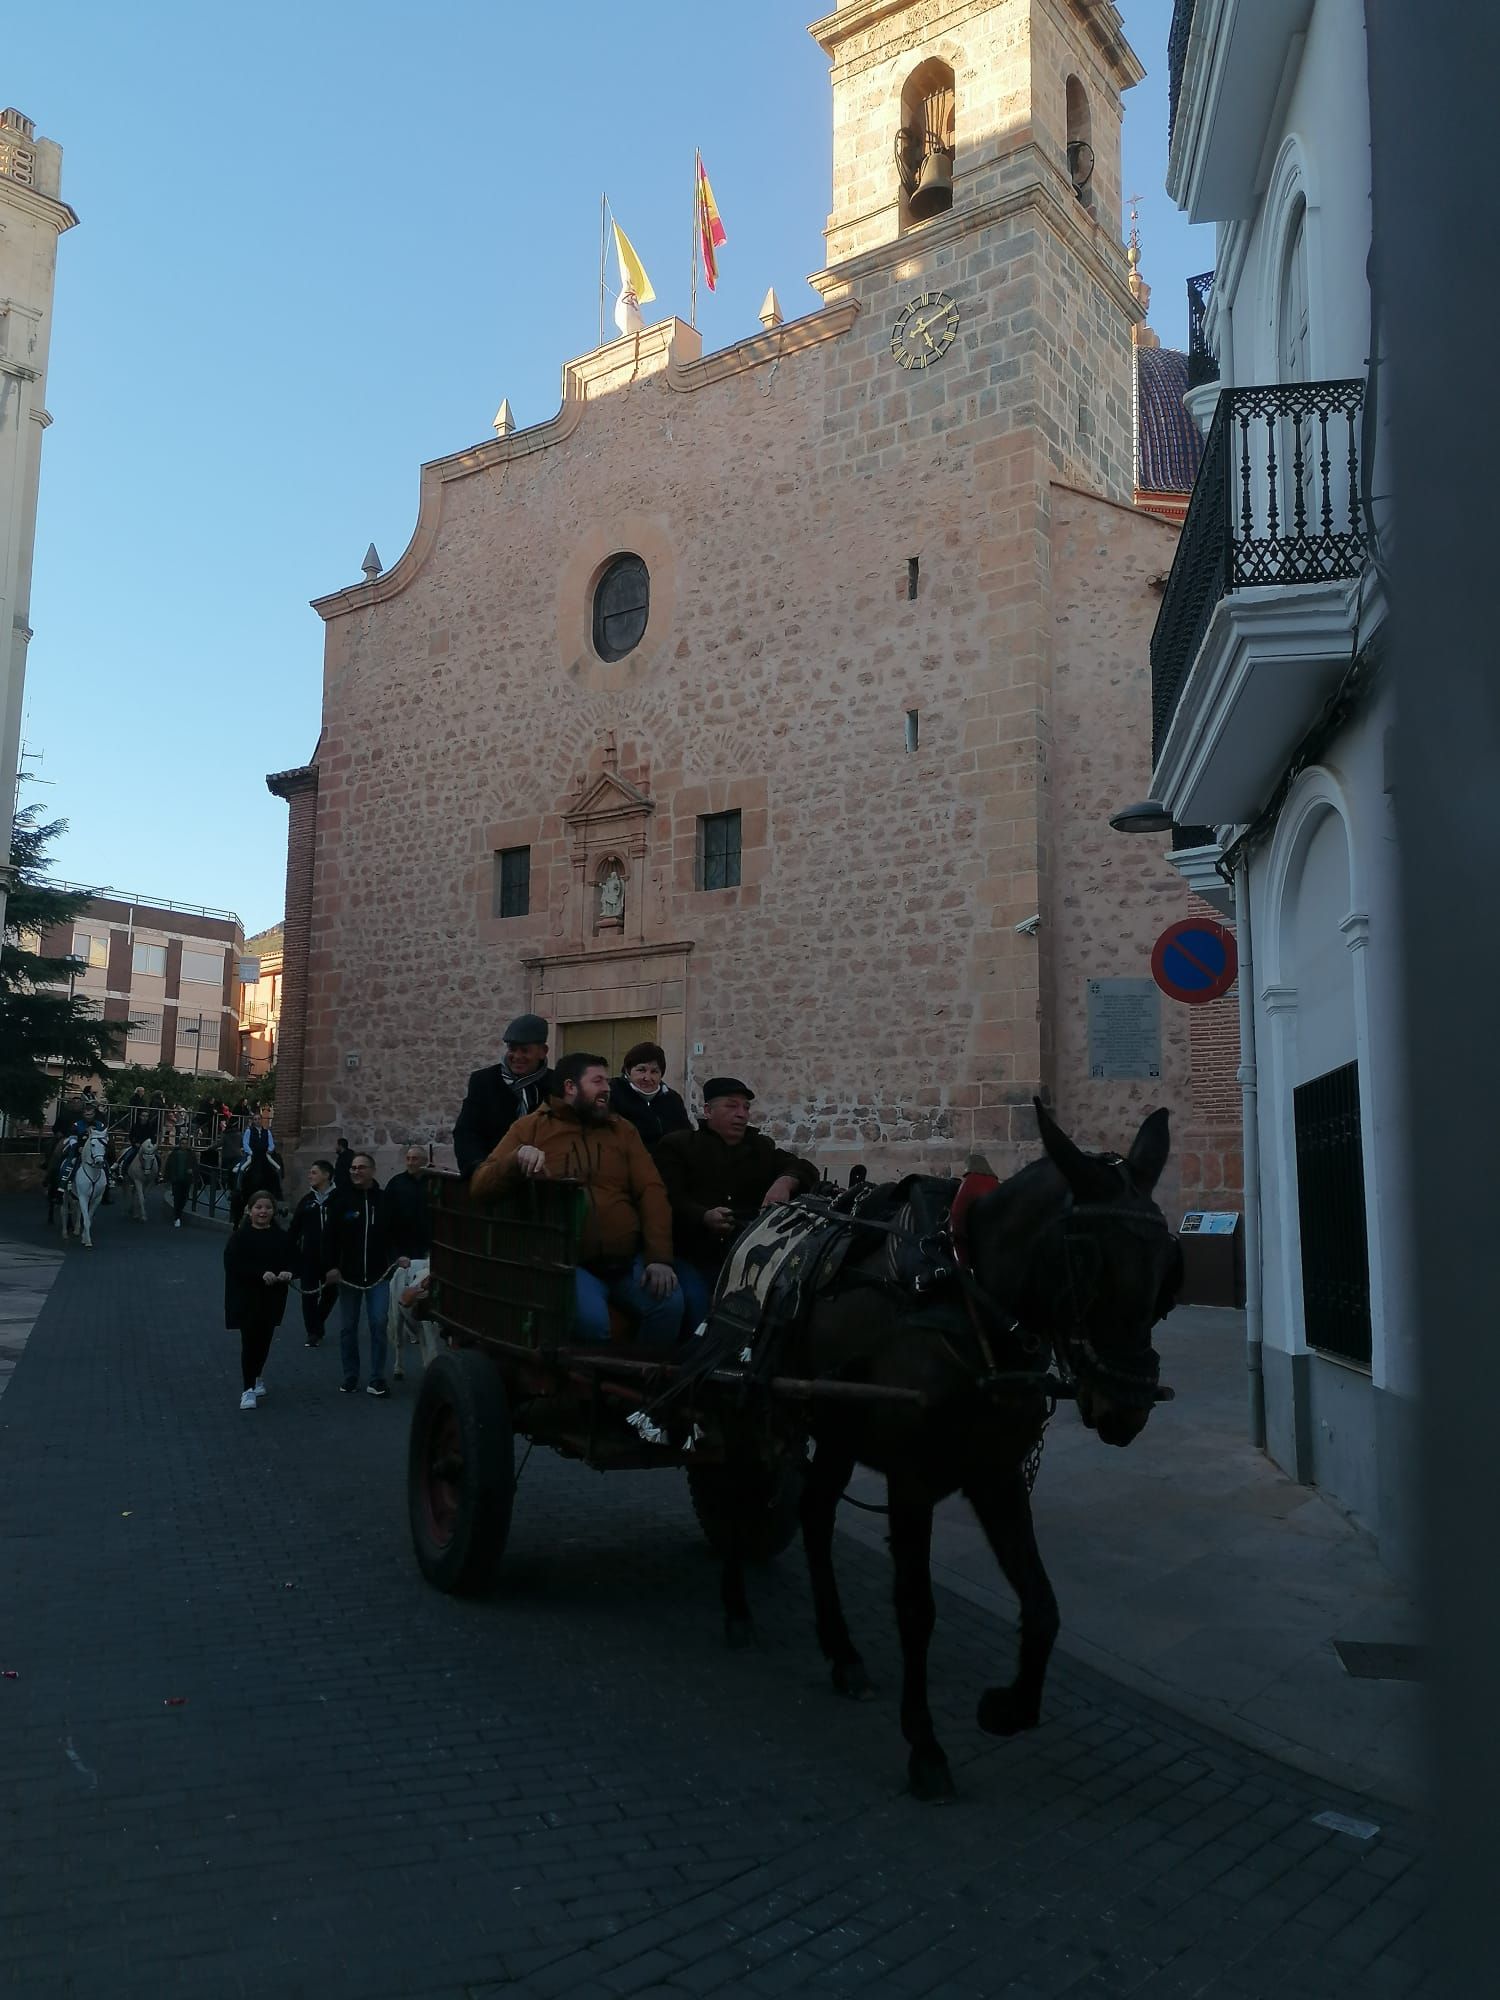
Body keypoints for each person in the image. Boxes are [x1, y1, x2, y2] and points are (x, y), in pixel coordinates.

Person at [472, 1051, 682, 1345]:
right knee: (593, 1324)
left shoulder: (622, 1130)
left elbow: (651, 1190)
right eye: (597, 1081)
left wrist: (659, 1258)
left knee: (669, 1307)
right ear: (571, 1087)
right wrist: (515, 1159)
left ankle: (643, 1386)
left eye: (606, 1081)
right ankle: (595, 1387)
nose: (607, 1088)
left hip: (625, 1261)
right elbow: (480, 1184)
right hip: (568, 1263)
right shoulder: (531, 1127)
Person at [655, 1077, 819, 1329]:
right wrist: (703, 1216)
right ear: (708, 1111)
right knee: (698, 1305)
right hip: (693, 1257)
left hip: (747, 1258)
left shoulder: (760, 1148)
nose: (741, 1114)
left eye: (745, 1108)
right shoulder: (679, 1146)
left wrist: (786, 1181)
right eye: (732, 1107)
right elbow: (669, 1198)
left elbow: (801, 1166)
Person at [325, 1151, 409, 1397]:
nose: (356, 1171)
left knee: (378, 1323)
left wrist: (398, 1255)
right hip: (348, 1276)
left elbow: (396, 1232)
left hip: (378, 1275)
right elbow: (329, 1237)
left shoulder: (384, 1201)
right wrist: (331, 1266)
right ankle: (351, 1375)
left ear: (372, 1171)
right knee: (348, 1327)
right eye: (353, 1168)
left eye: (361, 1167)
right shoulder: (340, 1200)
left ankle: (376, 1378)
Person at [454, 1013, 556, 1178]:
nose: (517, 1056)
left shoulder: (555, 1085)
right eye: (512, 1049)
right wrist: (478, 1169)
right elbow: (466, 1131)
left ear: (543, 1052)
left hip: (542, 1180)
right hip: (494, 1177)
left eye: (525, 1050)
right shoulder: (484, 1081)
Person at [223, 1191, 294, 1411]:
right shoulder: (239, 1237)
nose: (263, 1211)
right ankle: (248, 1388)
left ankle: (257, 1374)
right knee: (250, 1341)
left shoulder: (281, 1236)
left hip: (272, 1298)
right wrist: (259, 1274)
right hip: (246, 1297)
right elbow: (233, 1264)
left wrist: (288, 1272)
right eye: (258, 1207)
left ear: (273, 1211)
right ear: (249, 1210)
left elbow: (295, 1259)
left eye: (267, 1208)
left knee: (264, 1340)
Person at [289, 1159, 339, 1347]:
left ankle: (318, 1322)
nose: (310, 1175)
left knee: (331, 1294)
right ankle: (313, 1331)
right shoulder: (307, 1201)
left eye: (314, 1172)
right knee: (308, 1296)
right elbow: (294, 1230)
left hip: (332, 1259)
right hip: (309, 1257)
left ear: (326, 1175)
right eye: (310, 1172)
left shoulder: (339, 1199)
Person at [608, 1041, 692, 1153]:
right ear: (628, 1071)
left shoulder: (672, 1099)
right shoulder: (612, 1094)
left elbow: (685, 1136)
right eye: (641, 1070)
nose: (647, 1077)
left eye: (654, 1072)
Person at [162, 1128, 197, 1227]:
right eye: (182, 1143)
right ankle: (177, 1217)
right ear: (179, 1144)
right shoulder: (174, 1154)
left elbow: (195, 1166)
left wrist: (192, 1171)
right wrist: (168, 1178)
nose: (184, 1145)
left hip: (187, 1180)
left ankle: (179, 1213)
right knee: (177, 1198)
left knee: (184, 1198)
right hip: (176, 1179)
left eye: (186, 1143)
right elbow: (169, 1166)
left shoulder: (191, 1154)